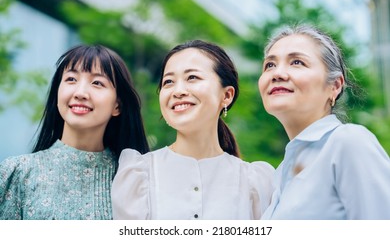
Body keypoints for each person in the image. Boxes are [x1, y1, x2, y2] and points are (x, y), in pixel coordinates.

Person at [111, 39, 274, 220]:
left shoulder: (256, 183)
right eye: (168, 82)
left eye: (192, 77)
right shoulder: (138, 174)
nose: (178, 91)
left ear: (227, 95)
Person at [0, 44, 149, 219]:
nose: (80, 93)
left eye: (97, 83)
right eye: (71, 79)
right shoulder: (18, 172)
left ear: (117, 105)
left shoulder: (136, 180)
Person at [258, 24, 390, 219]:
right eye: (270, 65)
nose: (277, 73)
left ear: (335, 86)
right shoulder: (280, 174)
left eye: (297, 62)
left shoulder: (348, 142)